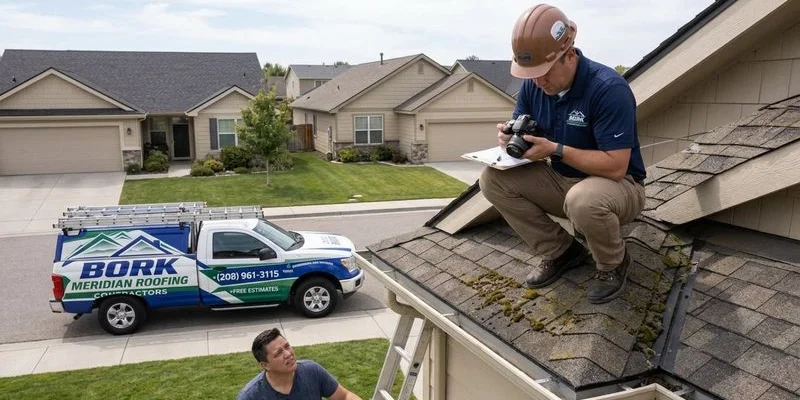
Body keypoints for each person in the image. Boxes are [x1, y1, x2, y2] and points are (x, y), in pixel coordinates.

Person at [479, 3, 646, 304]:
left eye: (543, 72)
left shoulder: (608, 89)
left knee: (583, 200)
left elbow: (616, 167)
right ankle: (563, 252)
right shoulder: (534, 86)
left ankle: (613, 264)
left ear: (568, 54)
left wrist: (555, 149)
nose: (538, 82)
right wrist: (510, 138)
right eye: (531, 75)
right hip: (563, 181)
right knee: (492, 180)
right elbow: (525, 131)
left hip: (618, 188)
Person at [238, 328, 362, 400]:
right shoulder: (250, 396)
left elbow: (344, 396)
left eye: (287, 346)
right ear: (265, 365)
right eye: (279, 353)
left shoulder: (311, 370)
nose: (288, 354)